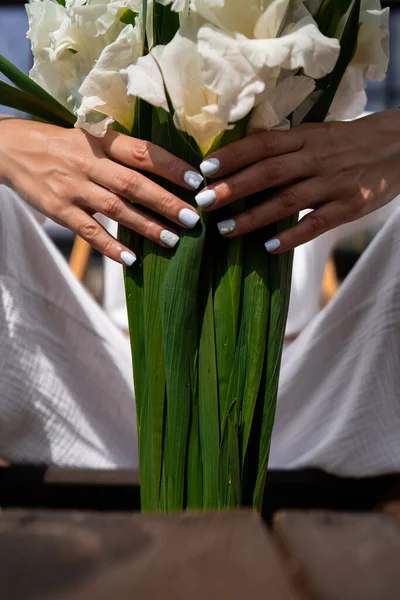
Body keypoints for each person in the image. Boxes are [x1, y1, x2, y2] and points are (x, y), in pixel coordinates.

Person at [0, 109, 399, 473]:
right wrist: (7, 141)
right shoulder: (109, 121)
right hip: (105, 398)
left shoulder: (323, 125)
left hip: (313, 402)